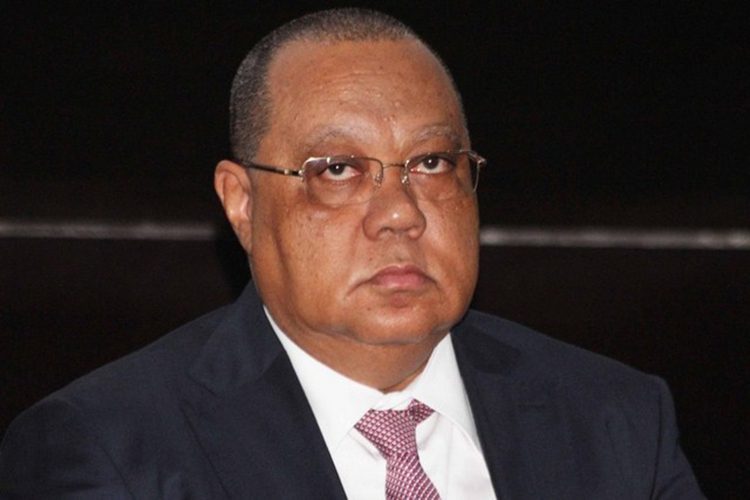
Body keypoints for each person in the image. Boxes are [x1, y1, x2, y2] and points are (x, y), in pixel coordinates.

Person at [0, 8, 704, 499]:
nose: (400, 213)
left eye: (431, 163)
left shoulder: (616, 419)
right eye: (337, 170)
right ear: (242, 204)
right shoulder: (109, 447)